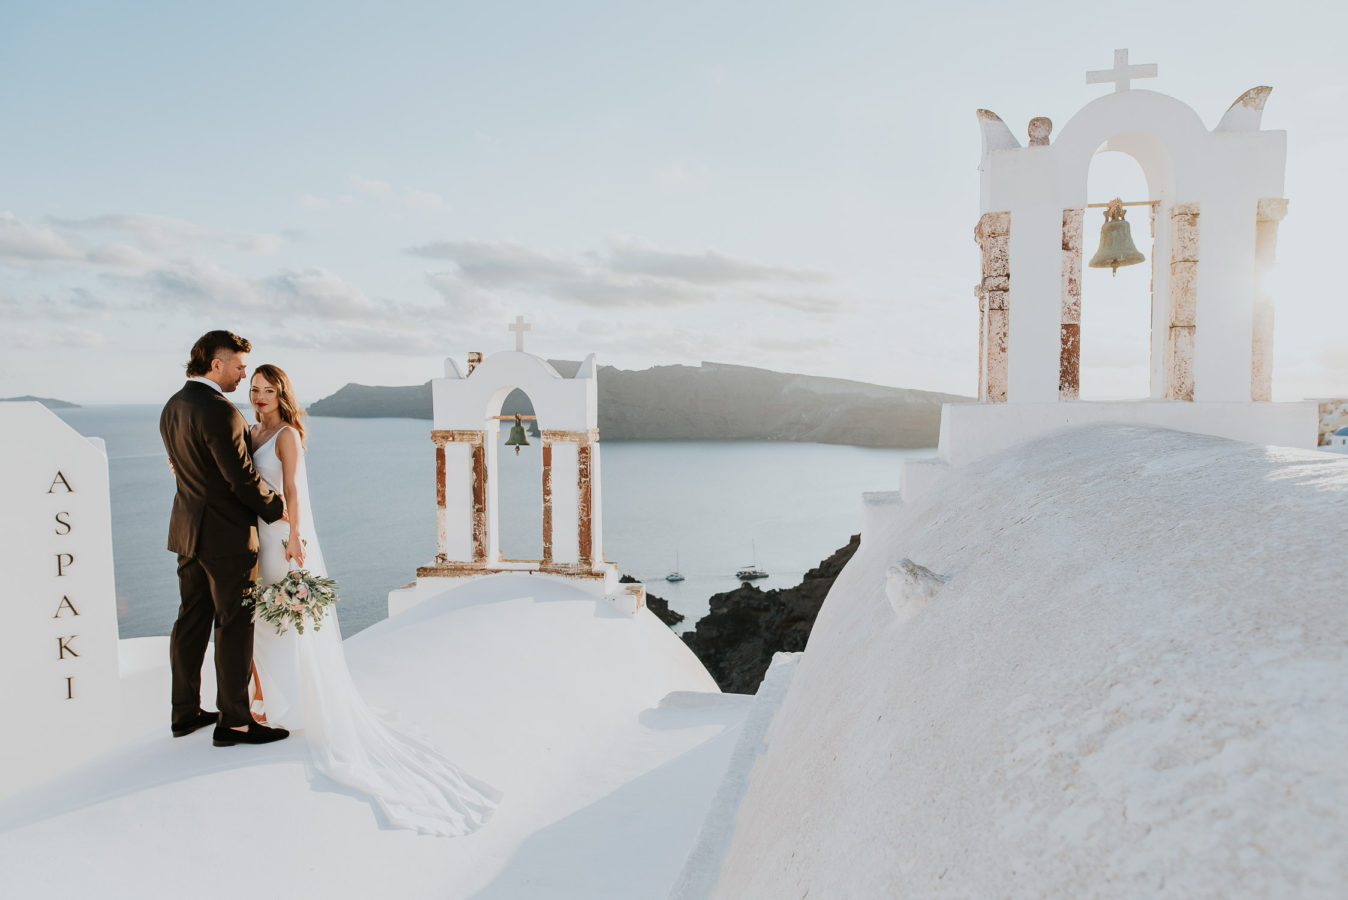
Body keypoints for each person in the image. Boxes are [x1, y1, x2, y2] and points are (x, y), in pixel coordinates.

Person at [247, 364, 500, 836]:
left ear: (283, 393)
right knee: (267, 615)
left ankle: (291, 706)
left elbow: (294, 492)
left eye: (268, 389)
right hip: (258, 537)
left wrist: (295, 538)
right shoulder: (252, 430)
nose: (260, 396)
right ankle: (270, 700)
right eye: (254, 389)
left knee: (286, 617)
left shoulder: (284, 434)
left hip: (282, 535)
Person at [159, 330, 290, 747]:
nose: (242, 374)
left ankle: (185, 712)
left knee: (191, 620)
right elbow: (240, 477)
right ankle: (234, 721)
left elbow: (186, 471)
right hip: (226, 536)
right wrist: (275, 506)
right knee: (233, 623)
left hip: (187, 532)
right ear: (216, 365)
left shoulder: (172, 406)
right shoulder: (220, 410)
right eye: (238, 366)